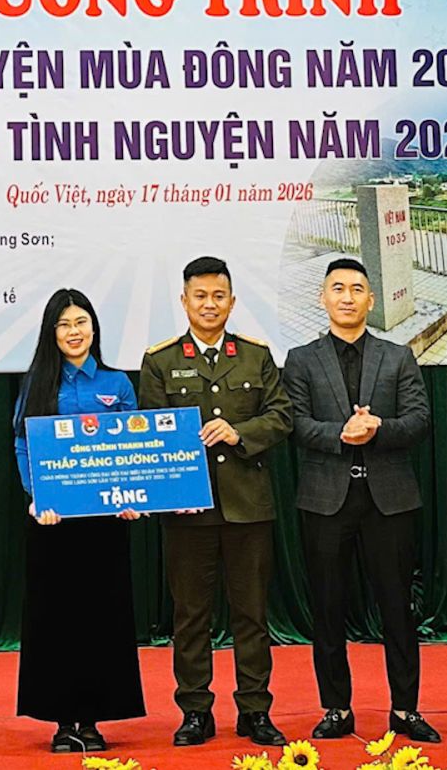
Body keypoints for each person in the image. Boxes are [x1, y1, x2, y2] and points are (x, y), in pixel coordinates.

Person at [281, 258, 439, 743]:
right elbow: (294, 423)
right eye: (337, 288)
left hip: (389, 499)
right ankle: (336, 708)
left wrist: (379, 428)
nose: (347, 297)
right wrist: (341, 433)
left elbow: (420, 419)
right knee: (328, 609)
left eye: (356, 289)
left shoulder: (398, 356)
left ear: (372, 299)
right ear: (322, 298)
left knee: (398, 609)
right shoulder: (301, 359)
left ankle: (405, 709)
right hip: (325, 500)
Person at [137, 256, 293, 748]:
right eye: (200, 296)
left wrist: (239, 431)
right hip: (188, 509)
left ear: (232, 301)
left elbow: (281, 415)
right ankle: (195, 711)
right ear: (184, 301)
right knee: (191, 617)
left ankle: (255, 710)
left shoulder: (255, 355)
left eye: (218, 296)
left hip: (249, 506)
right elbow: (151, 432)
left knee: (252, 614)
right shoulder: (160, 361)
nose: (210, 304)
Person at [12, 289, 146, 753]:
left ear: (94, 327)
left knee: (102, 619)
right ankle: (63, 722)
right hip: (53, 523)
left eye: (81, 322)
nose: (74, 332)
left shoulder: (117, 383)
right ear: (52, 333)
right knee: (57, 621)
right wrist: (37, 497)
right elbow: (23, 444)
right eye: (64, 324)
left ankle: (92, 720)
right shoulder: (36, 384)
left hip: (106, 524)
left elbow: (133, 448)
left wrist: (132, 495)